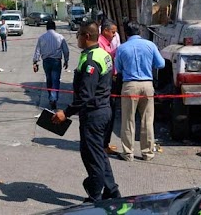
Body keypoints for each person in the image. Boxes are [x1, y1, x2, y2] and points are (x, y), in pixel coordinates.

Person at [51, 21, 121, 202]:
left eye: (78, 35)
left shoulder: (91, 61)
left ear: (87, 36)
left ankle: (94, 195)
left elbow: (86, 95)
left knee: (92, 156)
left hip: (94, 114)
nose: (77, 39)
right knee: (98, 154)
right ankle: (112, 192)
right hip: (103, 110)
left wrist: (65, 113)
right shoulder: (102, 54)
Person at [115, 22, 165, 161]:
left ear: (126, 33)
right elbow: (161, 64)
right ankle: (148, 153)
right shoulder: (150, 45)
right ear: (140, 31)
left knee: (128, 120)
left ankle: (128, 153)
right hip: (147, 85)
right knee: (147, 120)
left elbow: (118, 69)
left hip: (130, 85)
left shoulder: (122, 48)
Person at [32, 20, 69, 110]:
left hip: (46, 61)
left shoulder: (42, 38)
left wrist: (35, 62)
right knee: (55, 80)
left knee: (49, 79)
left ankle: (51, 97)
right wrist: (66, 60)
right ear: (55, 27)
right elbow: (66, 50)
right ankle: (53, 98)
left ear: (46, 27)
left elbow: (37, 51)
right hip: (56, 61)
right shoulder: (60, 37)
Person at [98, 19, 120, 155]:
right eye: (113, 32)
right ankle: (102, 145)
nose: (114, 35)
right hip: (105, 83)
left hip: (110, 81)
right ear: (105, 31)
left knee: (110, 113)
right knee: (107, 114)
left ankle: (104, 143)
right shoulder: (101, 44)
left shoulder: (107, 43)